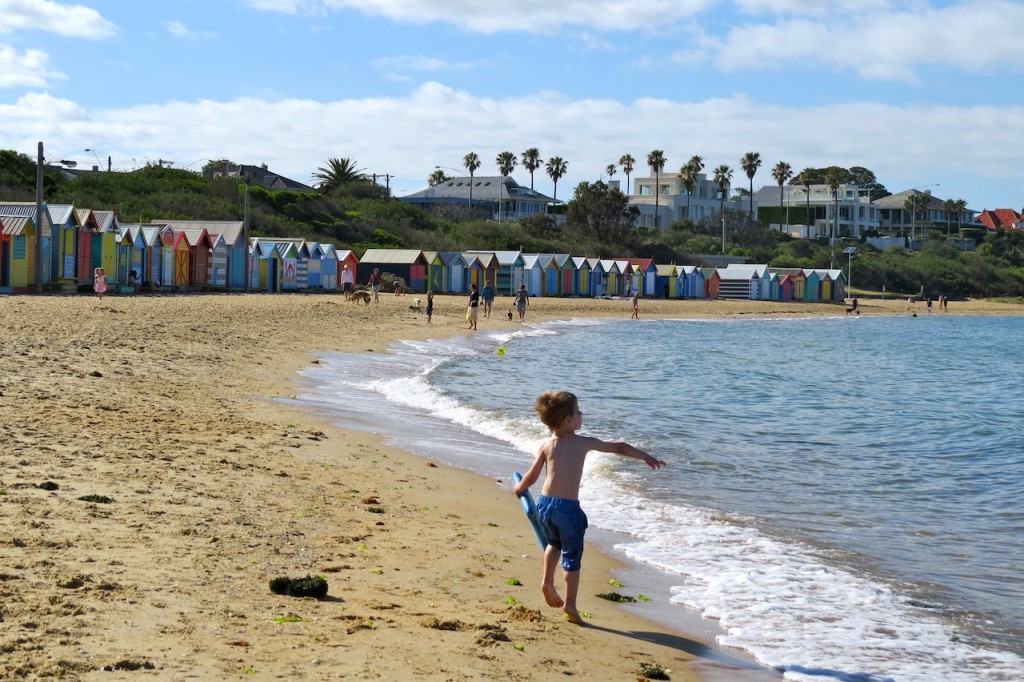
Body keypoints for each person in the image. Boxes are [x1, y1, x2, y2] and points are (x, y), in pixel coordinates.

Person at [514, 390, 666, 624]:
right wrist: (646, 456)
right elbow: (619, 447)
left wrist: (520, 489)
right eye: (577, 412)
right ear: (568, 420)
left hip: (545, 504)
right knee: (572, 557)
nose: (581, 415)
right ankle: (571, 605)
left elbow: (532, 476)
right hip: (568, 509)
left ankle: (547, 581)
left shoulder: (546, 445)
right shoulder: (583, 442)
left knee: (553, 543)